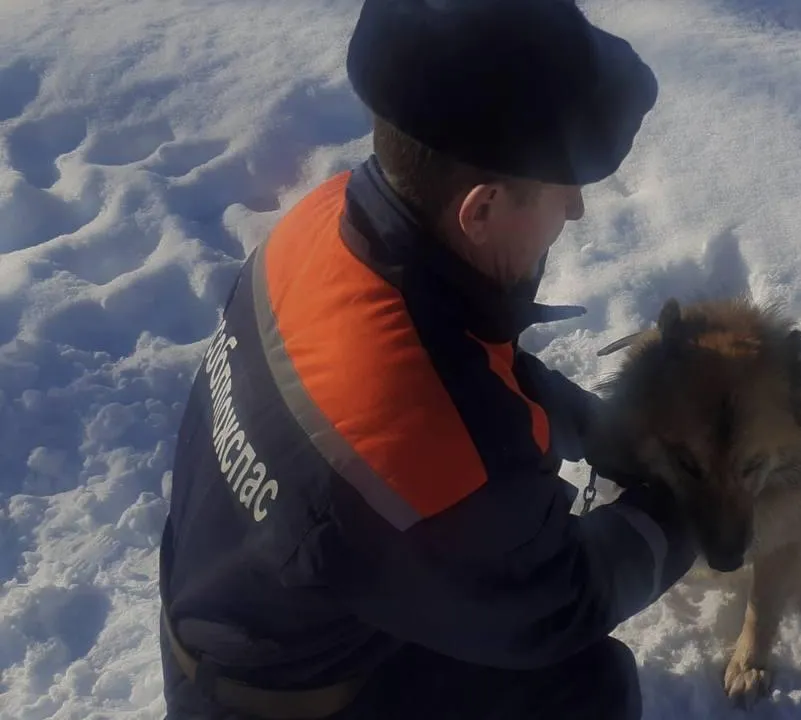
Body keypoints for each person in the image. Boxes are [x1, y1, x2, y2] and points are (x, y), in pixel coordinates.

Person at [156, 0, 697, 717]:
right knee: (587, 685)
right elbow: (555, 599)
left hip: (246, 614)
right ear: (479, 209)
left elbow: (471, 377)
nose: (576, 211)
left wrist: (608, 435)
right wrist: (680, 511)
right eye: (564, 187)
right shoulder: (421, 442)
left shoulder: (331, 222)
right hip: (276, 704)